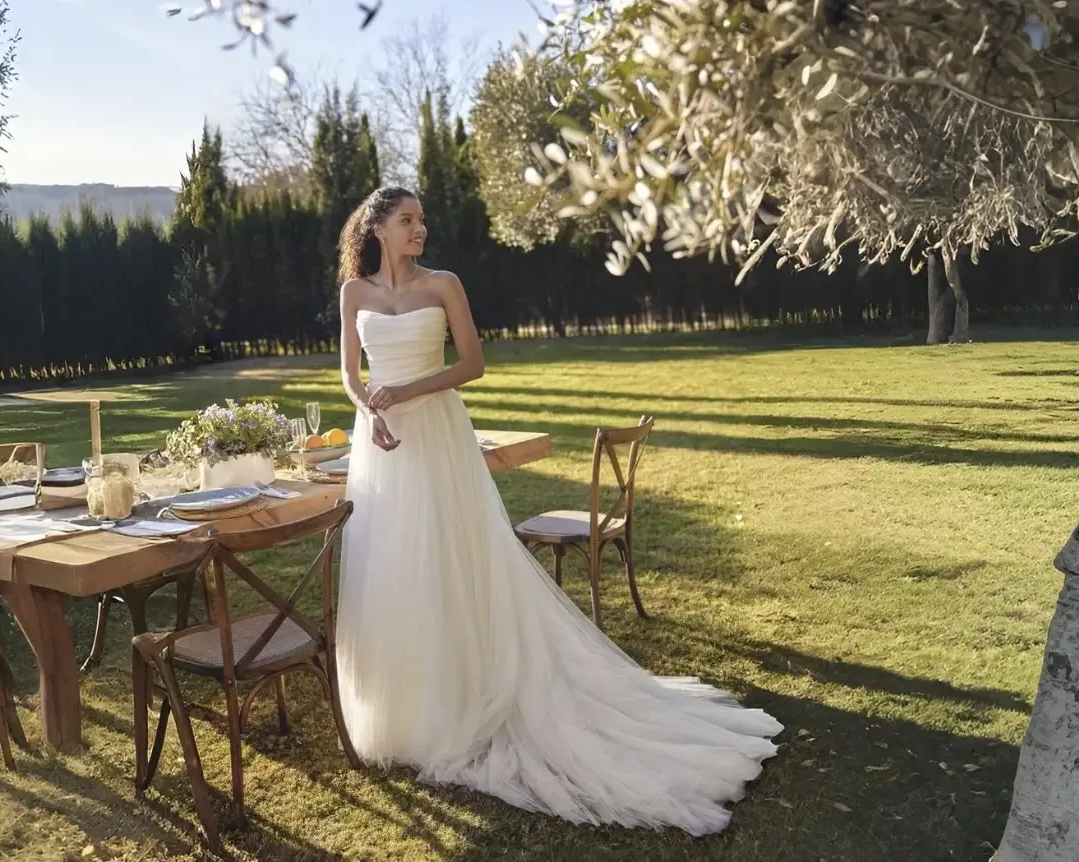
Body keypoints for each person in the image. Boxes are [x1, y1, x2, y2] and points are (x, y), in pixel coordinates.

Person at [334, 185, 781, 835]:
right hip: (380, 444)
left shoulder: (444, 284)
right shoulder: (355, 293)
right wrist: (370, 403)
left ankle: (468, 692)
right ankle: (409, 709)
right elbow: (349, 371)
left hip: (436, 437)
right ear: (376, 227)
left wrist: (404, 389)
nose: (420, 230)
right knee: (393, 568)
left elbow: (473, 365)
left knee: (454, 556)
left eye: (422, 220)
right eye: (408, 221)